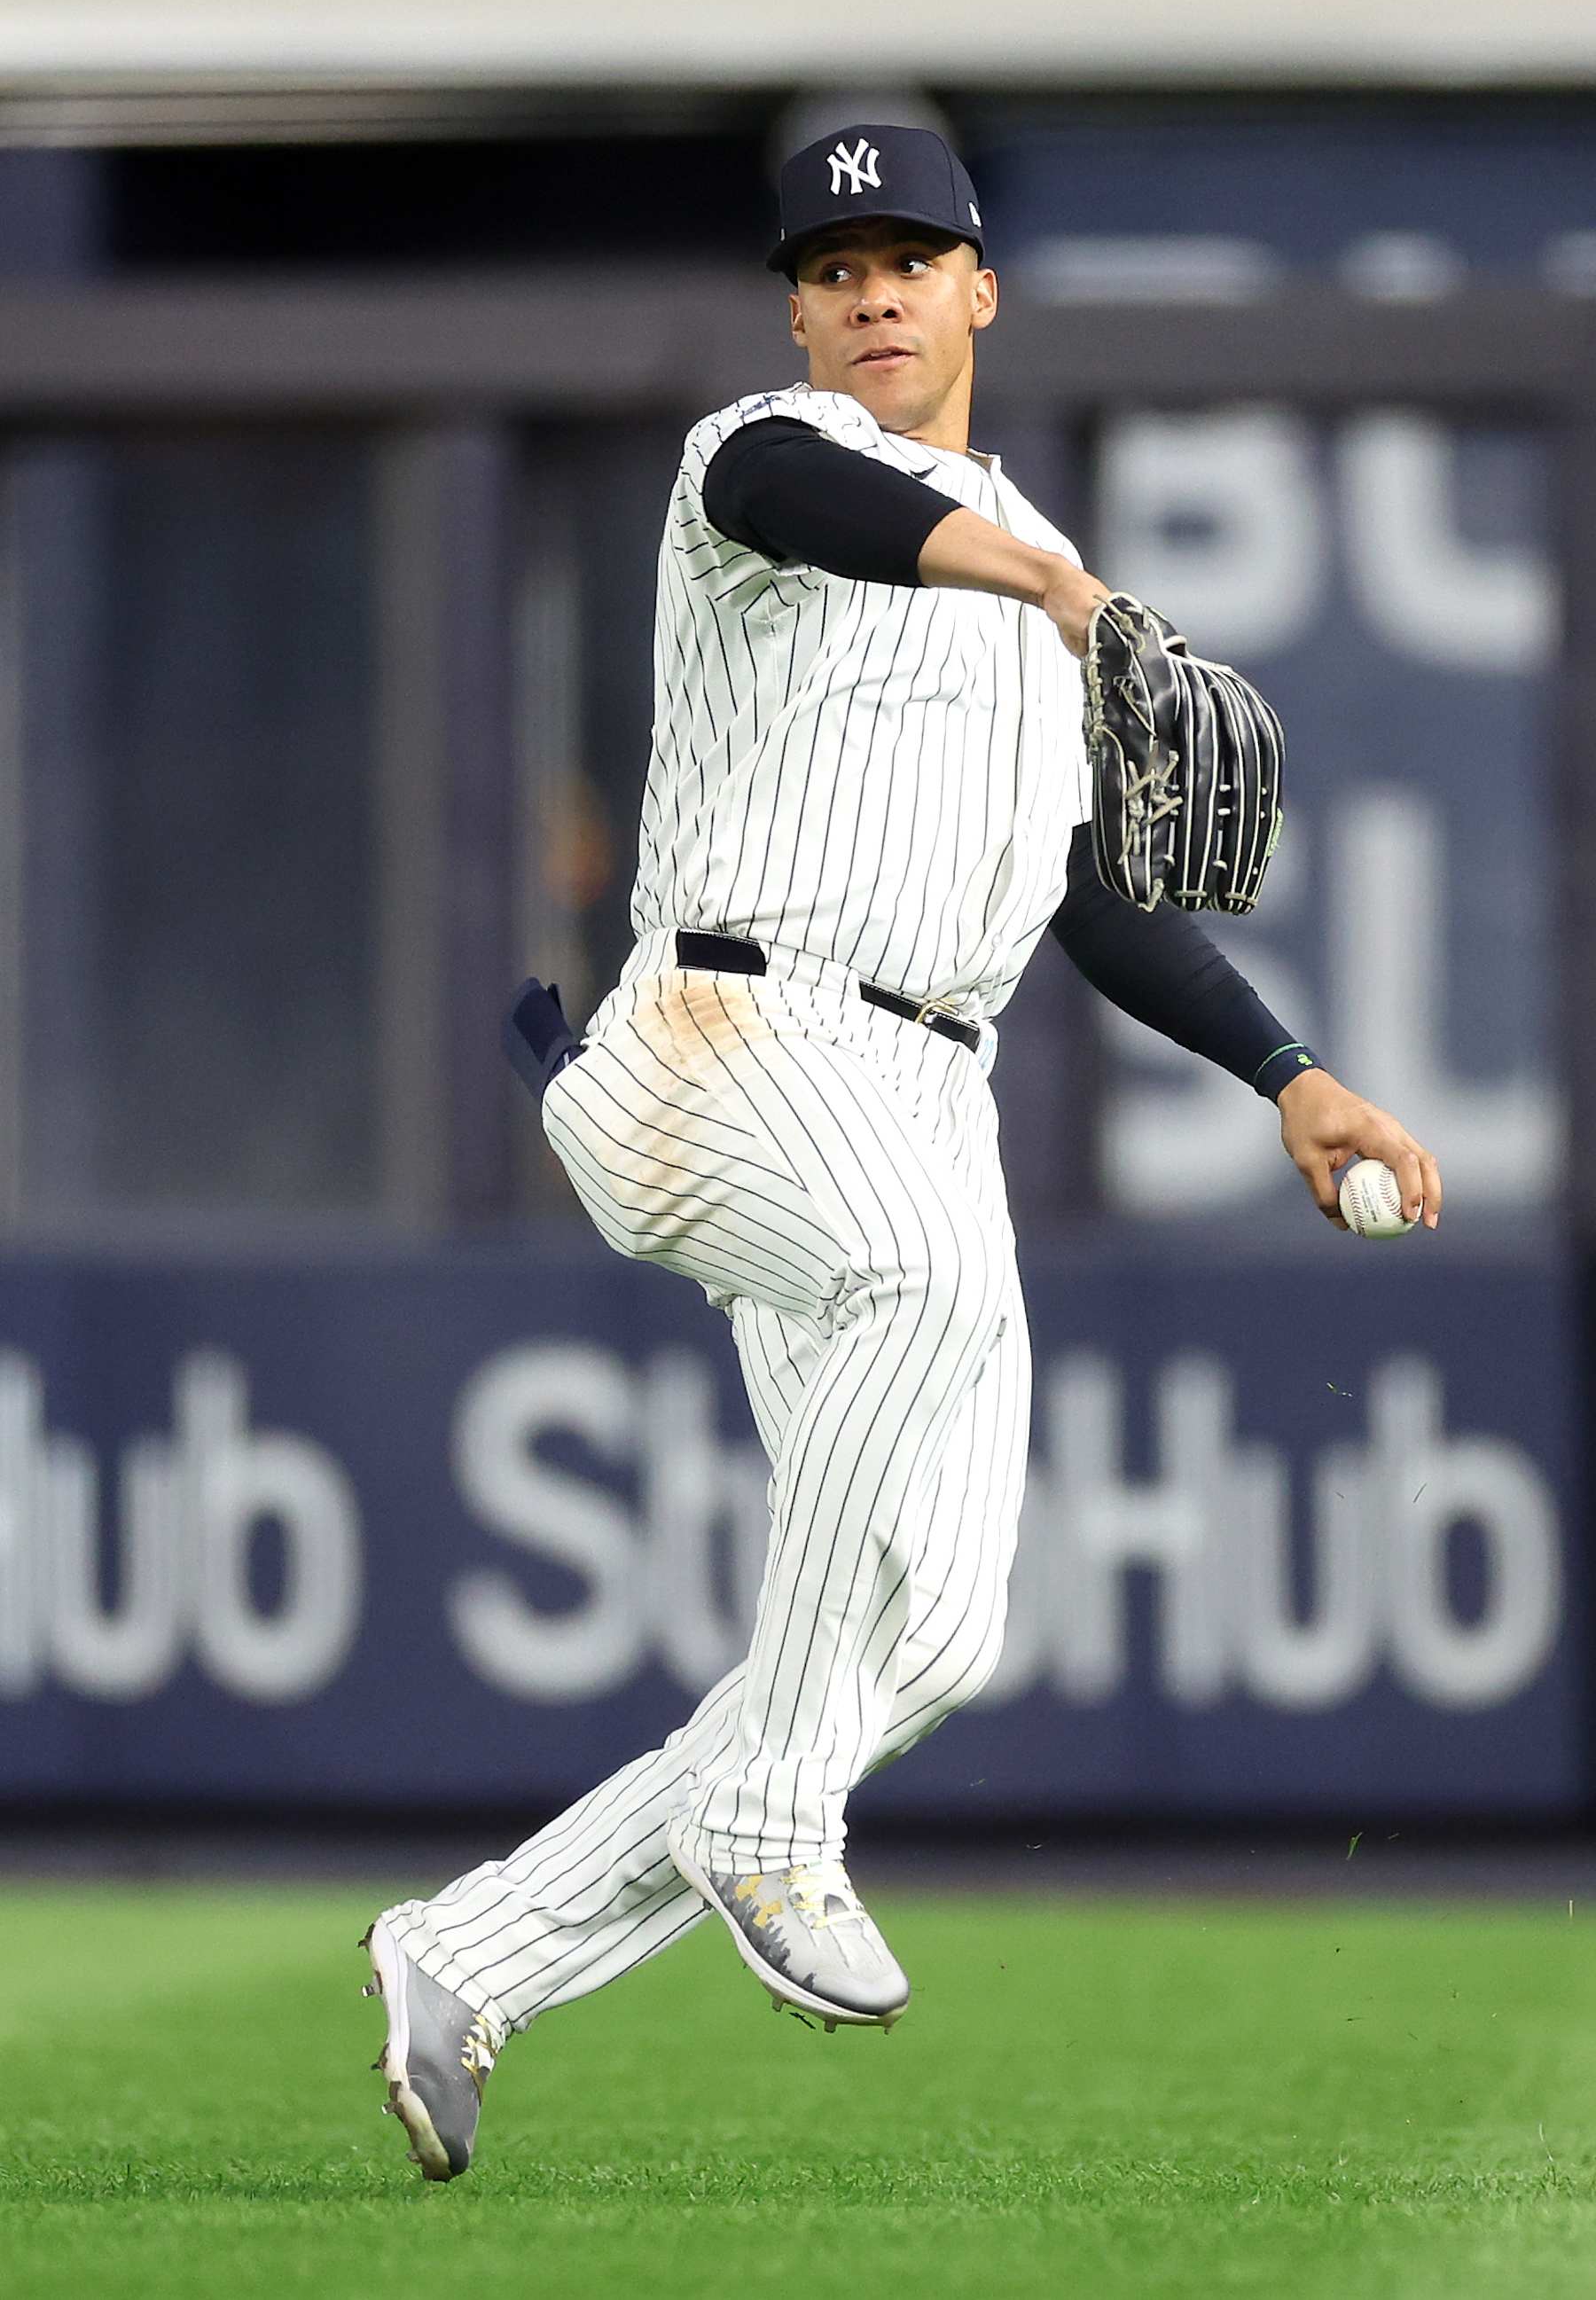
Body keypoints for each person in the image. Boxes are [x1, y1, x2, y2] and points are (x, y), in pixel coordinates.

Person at [361, 124, 1443, 2181]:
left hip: (923, 1088)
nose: (869, 292)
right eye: (832, 263)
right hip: (726, 1034)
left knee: (933, 1633)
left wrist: (1289, 1067)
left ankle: (470, 1949)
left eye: (908, 256)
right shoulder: (757, 463)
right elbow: (810, 501)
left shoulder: (1044, 596)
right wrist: (1049, 576)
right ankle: (774, 1816)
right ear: (794, 306)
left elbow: (1087, 898)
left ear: (979, 290)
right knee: (914, 1289)